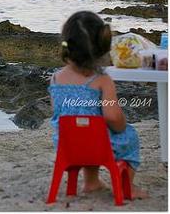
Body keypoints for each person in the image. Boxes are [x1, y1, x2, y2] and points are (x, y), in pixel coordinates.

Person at [48, 11, 147, 199]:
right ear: (102, 47)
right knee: (129, 135)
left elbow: (58, 112)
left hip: (66, 144)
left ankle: (91, 182)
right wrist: (122, 125)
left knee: (85, 128)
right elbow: (112, 117)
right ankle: (128, 186)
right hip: (98, 144)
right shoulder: (102, 80)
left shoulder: (55, 79)